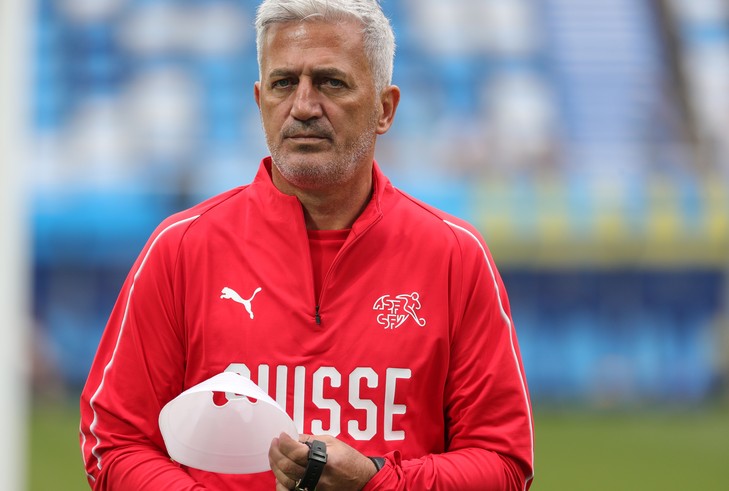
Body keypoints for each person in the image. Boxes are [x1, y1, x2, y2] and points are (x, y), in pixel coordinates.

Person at [79, 0, 535, 489]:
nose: (302, 106)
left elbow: (504, 464)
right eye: (283, 83)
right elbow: (113, 441)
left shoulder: (454, 257)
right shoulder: (182, 249)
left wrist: (376, 481)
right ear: (259, 102)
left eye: (330, 82)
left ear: (385, 109)